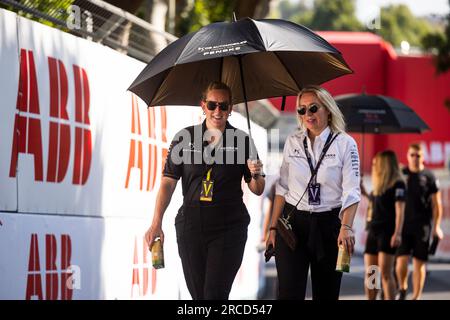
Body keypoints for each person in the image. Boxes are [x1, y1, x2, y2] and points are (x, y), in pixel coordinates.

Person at [144, 81, 265, 300]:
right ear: (203, 105)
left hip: (229, 226)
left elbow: (257, 189)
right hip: (190, 225)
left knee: (214, 296)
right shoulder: (184, 137)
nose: (217, 111)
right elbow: (168, 182)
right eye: (212, 105)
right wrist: (156, 223)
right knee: (199, 297)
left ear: (231, 108)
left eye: (223, 105)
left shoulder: (242, 140)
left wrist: (255, 173)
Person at [266, 85, 361, 300]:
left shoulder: (346, 143)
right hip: (293, 223)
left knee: (326, 294)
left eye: (313, 108)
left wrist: (346, 227)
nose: (307, 114)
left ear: (327, 110)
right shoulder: (293, 141)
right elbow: (282, 188)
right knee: (288, 294)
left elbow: (352, 191)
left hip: (329, 225)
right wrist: (272, 227)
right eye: (301, 110)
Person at [395, 143, 444, 300]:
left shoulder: (429, 176)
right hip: (403, 226)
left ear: (423, 157)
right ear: (408, 156)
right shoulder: (401, 174)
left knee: (419, 264)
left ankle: (416, 296)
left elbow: (437, 205)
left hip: (422, 226)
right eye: (412, 155)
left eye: (418, 155)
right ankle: (403, 288)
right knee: (401, 262)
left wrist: (436, 227)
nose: (415, 158)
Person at [363, 150, 405, 300]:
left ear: (385, 164)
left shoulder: (398, 184)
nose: (373, 166)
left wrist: (398, 233)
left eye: (376, 163)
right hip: (373, 230)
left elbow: (400, 210)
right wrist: (365, 193)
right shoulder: (379, 184)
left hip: (387, 232)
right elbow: (377, 204)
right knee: (371, 272)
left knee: (386, 273)